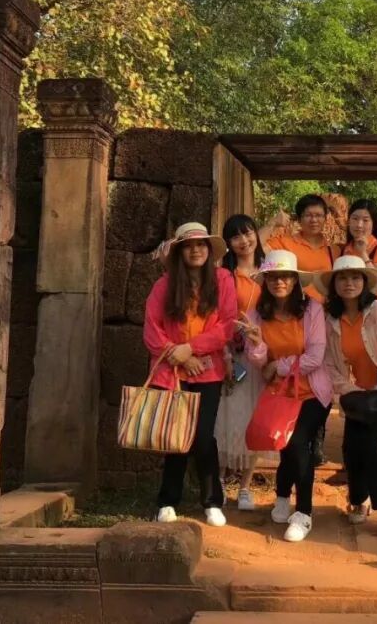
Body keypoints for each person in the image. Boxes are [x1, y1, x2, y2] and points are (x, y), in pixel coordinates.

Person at [143, 221, 235, 527]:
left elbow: (226, 325)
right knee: (175, 437)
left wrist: (191, 349)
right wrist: (179, 355)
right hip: (172, 372)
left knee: (203, 437)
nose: (195, 250)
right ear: (180, 252)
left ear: (209, 250)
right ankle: (168, 500)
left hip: (208, 370)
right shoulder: (164, 286)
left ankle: (212, 500)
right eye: (189, 246)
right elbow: (152, 330)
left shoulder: (223, 280)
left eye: (201, 244)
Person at [316, 255, 377, 537]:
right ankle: (360, 500)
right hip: (361, 398)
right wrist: (350, 390)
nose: (349, 283)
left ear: (364, 282)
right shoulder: (331, 320)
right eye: (342, 278)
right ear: (334, 285)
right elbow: (329, 363)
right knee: (351, 447)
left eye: (355, 277)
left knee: (369, 444)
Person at [245, 249, 332, 542]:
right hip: (280, 394)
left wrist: (278, 366)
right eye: (273, 276)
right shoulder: (257, 314)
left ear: (295, 280)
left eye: (285, 276)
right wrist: (258, 347)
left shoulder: (312, 310)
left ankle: (303, 513)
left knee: (297, 444)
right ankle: (282, 496)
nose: (279, 281)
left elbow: (315, 356)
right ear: (265, 280)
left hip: (312, 392)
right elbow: (258, 361)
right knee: (285, 446)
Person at [262, 193, 337, 466]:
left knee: (324, 376)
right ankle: (293, 429)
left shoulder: (334, 249)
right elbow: (258, 244)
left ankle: (317, 436)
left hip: (326, 319)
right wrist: (274, 221)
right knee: (301, 370)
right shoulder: (287, 242)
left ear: (326, 219)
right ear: (299, 218)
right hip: (297, 315)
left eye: (319, 215)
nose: (313, 220)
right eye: (308, 215)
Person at [214, 213, 277, 510]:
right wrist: (225, 353)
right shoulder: (224, 276)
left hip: (259, 354)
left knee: (254, 420)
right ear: (228, 243)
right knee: (225, 417)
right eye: (236, 236)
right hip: (230, 354)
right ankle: (218, 482)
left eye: (248, 232)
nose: (244, 240)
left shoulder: (269, 272)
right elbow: (217, 317)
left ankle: (245, 487)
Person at [334, 199, 377, 305]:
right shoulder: (343, 250)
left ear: (373, 224)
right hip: (349, 307)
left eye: (365, 220)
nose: (359, 225)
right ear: (348, 222)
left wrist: (363, 254)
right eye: (355, 219)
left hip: (374, 306)